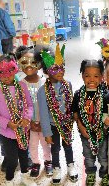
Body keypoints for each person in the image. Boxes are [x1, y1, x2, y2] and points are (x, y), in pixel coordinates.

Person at [0, 55, 36, 186]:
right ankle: (9, 178)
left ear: (14, 70)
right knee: (12, 159)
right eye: (2, 74)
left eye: (9, 73)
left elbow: (29, 105)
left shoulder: (22, 86)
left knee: (24, 155)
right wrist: (7, 123)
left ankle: (25, 176)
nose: (6, 77)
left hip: (23, 129)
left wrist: (27, 118)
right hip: (7, 132)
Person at [37, 44, 78, 185]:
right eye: (56, 68)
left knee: (68, 145)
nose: (61, 71)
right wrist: (47, 133)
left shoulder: (69, 84)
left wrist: (73, 118)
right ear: (47, 71)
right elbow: (43, 113)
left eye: (63, 67)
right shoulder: (42, 91)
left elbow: (71, 103)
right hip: (52, 125)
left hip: (66, 123)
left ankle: (71, 165)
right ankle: (56, 168)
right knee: (55, 149)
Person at [15, 45, 53, 178]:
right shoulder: (20, 84)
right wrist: (29, 122)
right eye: (24, 62)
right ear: (20, 64)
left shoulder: (45, 81)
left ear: (40, 64)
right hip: (29, 124)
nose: (29, 65)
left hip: (44, 123)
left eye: (33, 62)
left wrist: (44, 122)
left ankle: (48, 161)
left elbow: (50, 104)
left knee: (45, 144)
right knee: (32, 146)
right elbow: (19, 106)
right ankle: (36, 163)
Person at [71, 60, 109, 186]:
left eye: (96, 76)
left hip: (102, 133)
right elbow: (75, 112)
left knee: (103, 156)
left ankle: (104, 174)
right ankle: (91, 174)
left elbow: (108, 114)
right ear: (82, 76)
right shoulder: (78, 94)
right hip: (85, 132)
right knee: (88, 156)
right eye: (87, 75)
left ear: (101, 77)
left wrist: (102, 128)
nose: (91, 79)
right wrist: (80, 126)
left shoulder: (105, 94)